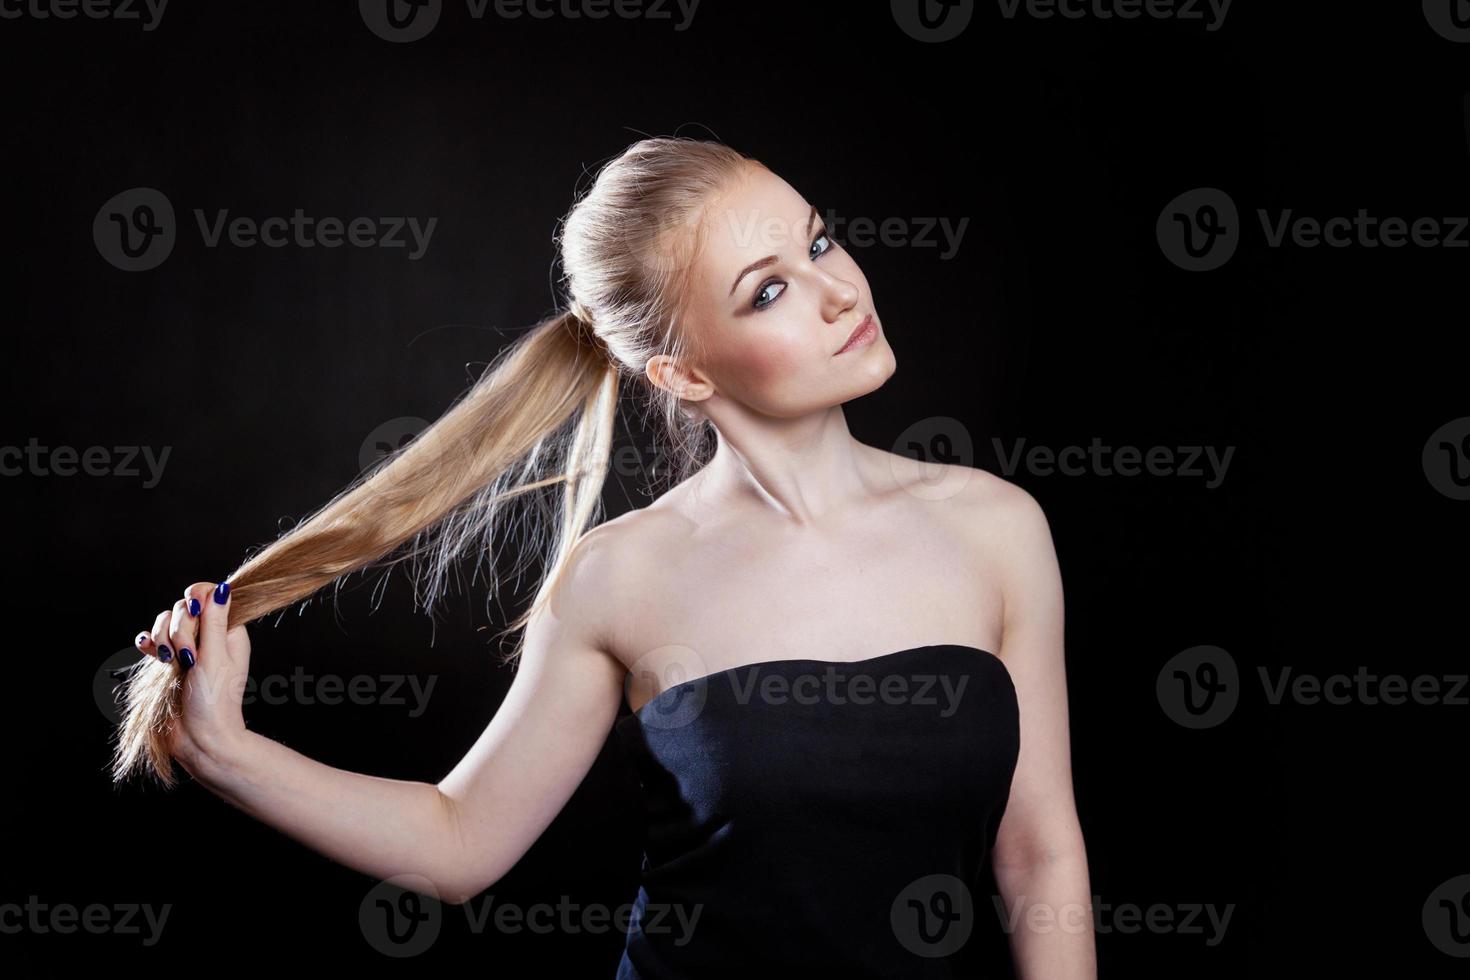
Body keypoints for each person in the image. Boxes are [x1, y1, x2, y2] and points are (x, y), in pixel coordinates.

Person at [112, 137, 1096, 977]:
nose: (840, 290)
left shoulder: (994, 527)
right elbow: (460, 840)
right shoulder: (619, 575)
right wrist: (228, 755)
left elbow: (1040, 850)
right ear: (683, 370)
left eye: (820, 240)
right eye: (769, 291)